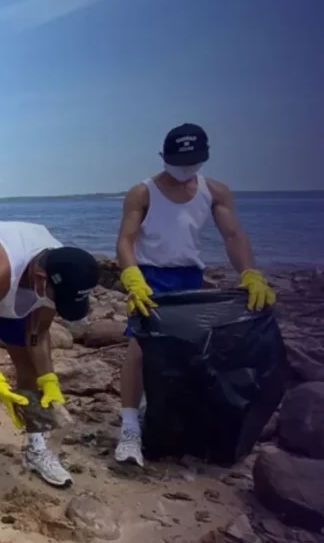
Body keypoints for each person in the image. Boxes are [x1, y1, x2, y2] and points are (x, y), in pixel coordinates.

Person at [113, 123, 276, 467]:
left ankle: (173, 420)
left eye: (191, 161)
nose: (184, 168)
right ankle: (129, 429)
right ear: (164, 157)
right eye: (177, 161)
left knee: (191, 352)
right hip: (151, 277)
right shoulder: (142, 193)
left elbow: (233, 236)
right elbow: (126, 239)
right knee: (139, 349)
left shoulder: (214, 191)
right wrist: (132, 277)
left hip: (190, 278)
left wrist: (250, 273)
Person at [0, 221, 100, 488]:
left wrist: (48, 378)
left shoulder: (60, 271)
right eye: (55, 300)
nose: (55, 306)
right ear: (40, 279)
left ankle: (36, 448)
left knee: (29, 364)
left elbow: (37, 335)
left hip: (18, 283)